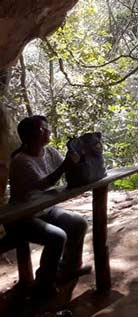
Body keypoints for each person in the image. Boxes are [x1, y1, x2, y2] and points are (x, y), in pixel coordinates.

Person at [8, 115, 91, 297]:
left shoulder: (50, 152)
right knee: (57, 237)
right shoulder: (21, 161)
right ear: (33, 134)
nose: (48, 131)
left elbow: (67, 169)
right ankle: (43, 284)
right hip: (21, 217)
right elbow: (43, 184)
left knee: (79, 223)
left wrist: (80, 158)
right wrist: (65, 166)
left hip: (44, 209)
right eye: (44, 129)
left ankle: (68, 268)